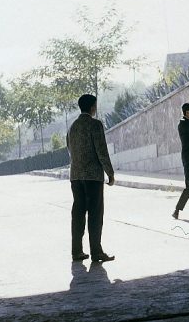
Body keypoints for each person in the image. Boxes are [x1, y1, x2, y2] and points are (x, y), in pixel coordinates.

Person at [66, 94, 115, 263]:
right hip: (93, 177)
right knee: (95, 214)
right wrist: (110, 172)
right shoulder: (95, 125)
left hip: (75, 176)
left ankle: (76, 251)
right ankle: (96, 251)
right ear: (93, 107)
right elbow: (101, 150)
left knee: (78, 213)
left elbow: (70, 150)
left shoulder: (72, 127)